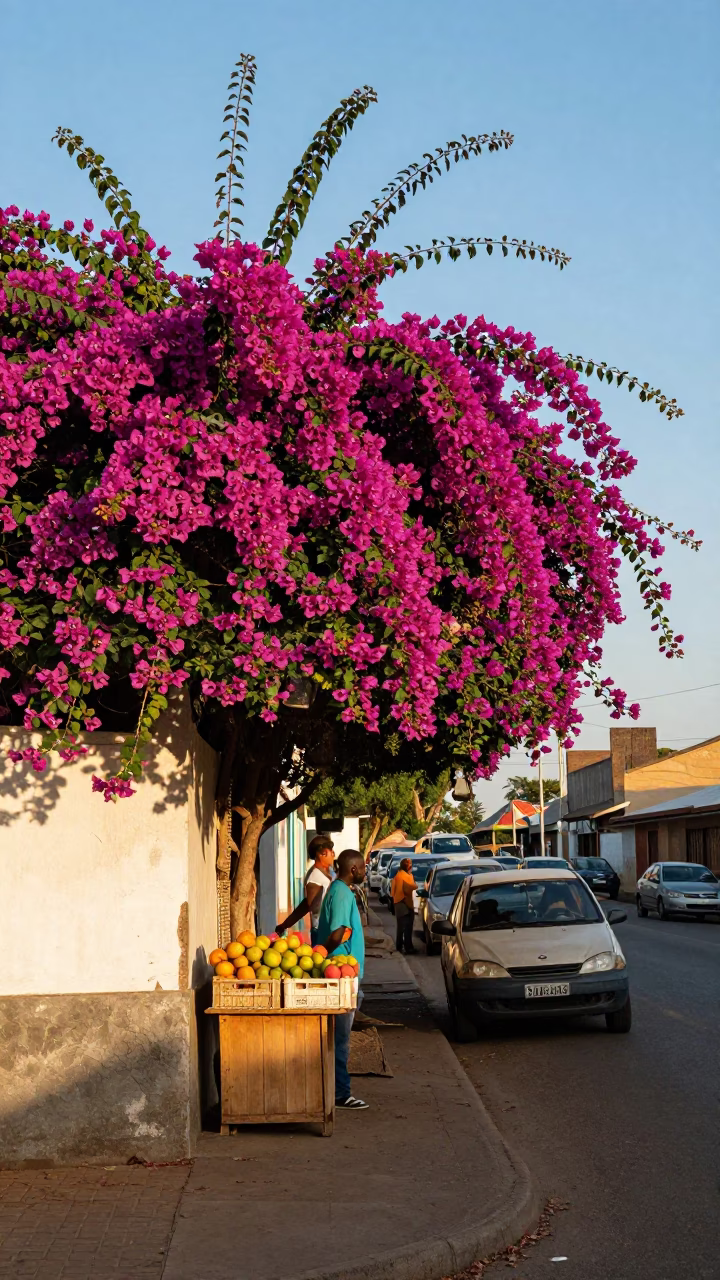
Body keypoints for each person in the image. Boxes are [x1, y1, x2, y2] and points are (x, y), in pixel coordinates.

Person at [316, 849, 368, 1111]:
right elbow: (338, 931)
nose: (366, 872)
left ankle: (338, 1090)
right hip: (340, 976)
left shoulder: (341, 891)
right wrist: (323, 951)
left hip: (345, 972)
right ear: (354, 870)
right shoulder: (341, 892)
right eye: (364, 868)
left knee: (338, 1037)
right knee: (339, 1039)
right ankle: (340, 1093)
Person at [276, 835, 334, 945]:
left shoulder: (323, 874)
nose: (333, 855)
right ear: (324, 853)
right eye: (331, 852)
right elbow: (310, 906)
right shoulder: (315, 877)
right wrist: (285, 925)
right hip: (321, 931)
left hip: (327, 929)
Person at [391, 857, 417, 954]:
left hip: (398, 904)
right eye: (409, 864)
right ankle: (408, 948)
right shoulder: (405, 876)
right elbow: (411, 887)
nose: (411, 866)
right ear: (406, 866)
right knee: (407, 928)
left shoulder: (397, 875)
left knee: (401, 928)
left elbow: (392, 892)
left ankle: (400, 947)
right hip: (404, 904)